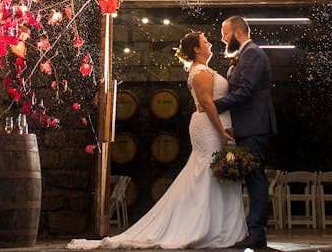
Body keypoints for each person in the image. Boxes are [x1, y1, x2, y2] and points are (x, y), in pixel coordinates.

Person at [68, 32, 247, 249]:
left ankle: (217, 225)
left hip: (213, 125)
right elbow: (208, 104)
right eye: (205, 42)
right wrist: (221, 132)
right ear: (197, 50)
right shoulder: (200, 72)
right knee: (207, 172)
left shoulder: (205, 70)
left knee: (212, 172)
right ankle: (202, 226)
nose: (210, 44)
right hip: (211, 128)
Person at [213, 16, 277, 250]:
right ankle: (251, 230)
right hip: (245, 126)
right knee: (251, 178)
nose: (223, 38)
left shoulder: (253, 54)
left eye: (225, 33)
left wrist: (215, 106)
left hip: (254, 126)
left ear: (238, 32)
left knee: (255, 177)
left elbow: (245, 91)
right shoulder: (244, 55)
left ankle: (257, 233)